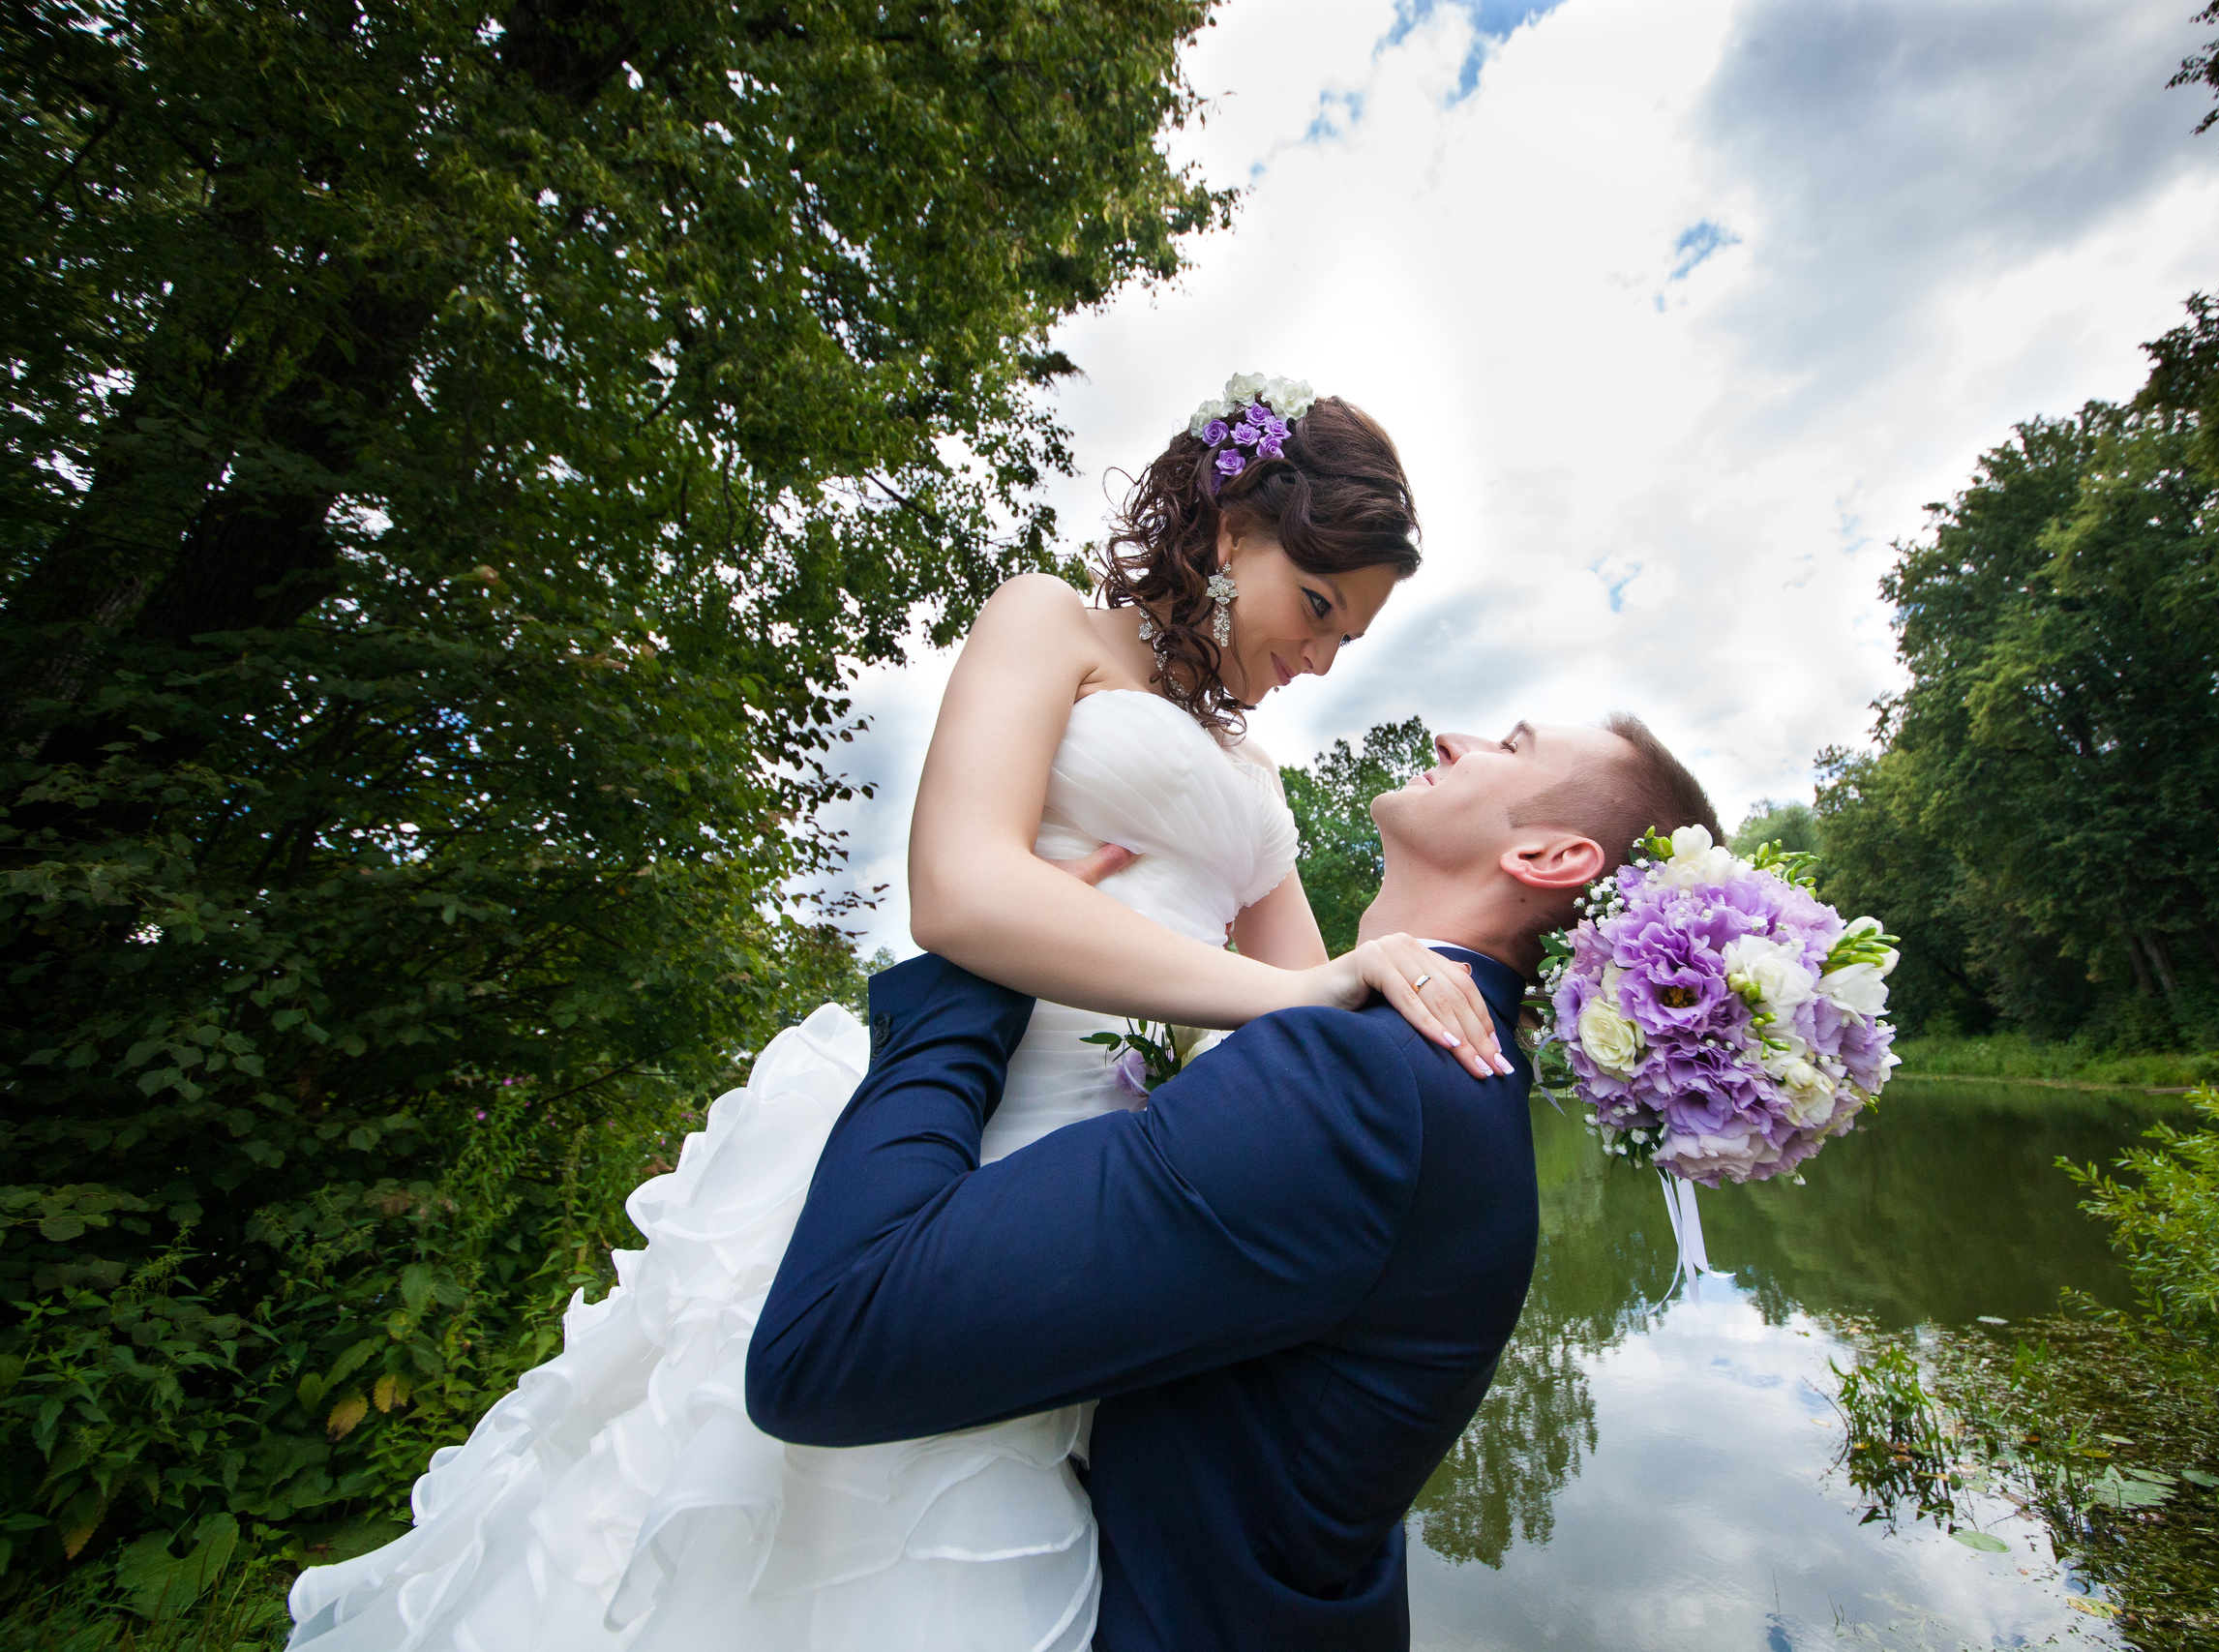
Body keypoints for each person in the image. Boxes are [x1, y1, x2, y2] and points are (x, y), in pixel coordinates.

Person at [285, 375, 1501, 1652]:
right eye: (1317, 605)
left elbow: (1306, 1029)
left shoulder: (1257, 781)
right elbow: (961, 890)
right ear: (1234, 527)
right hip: (946, 1123)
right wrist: (1291, 985)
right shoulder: (1050, 625)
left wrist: (1406, 991)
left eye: (1344, 642)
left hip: (1093, 1201)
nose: (1316, 656)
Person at [746, 712, 1724, 1651]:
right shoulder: (1447, 1086)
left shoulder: (1363, 1090)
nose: (1450, 740)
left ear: (1551, 859)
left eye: (1507, 746)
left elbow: (828, 1339)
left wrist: (980, 965)